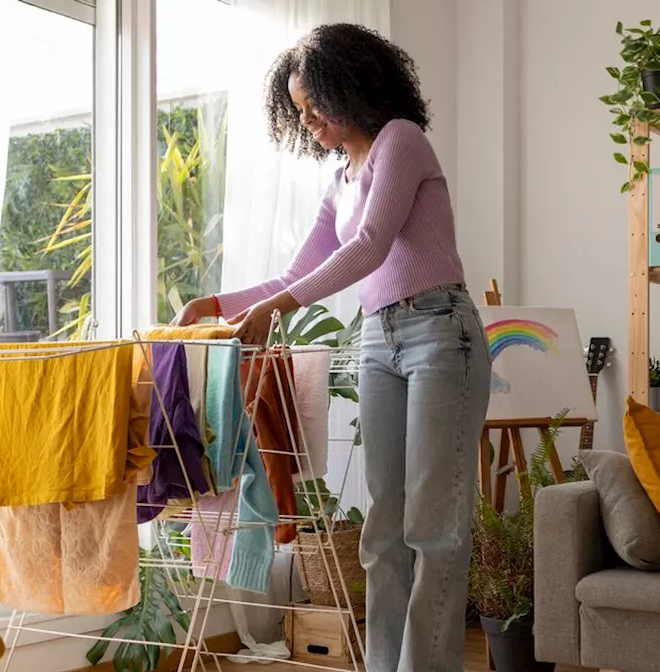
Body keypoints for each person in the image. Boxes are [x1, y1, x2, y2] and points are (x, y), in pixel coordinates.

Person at [175, 22, 491, 672]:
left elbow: (371, 245)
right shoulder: (339, 182)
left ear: (351, 84)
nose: (309, 118)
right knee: (382, 533)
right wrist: (218, 304)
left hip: (441, 333)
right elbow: (294, 276)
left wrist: (274, 310)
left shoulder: (401, 142)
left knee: (434, 530)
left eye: (315, 101)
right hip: (379, 338)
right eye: (299, 110)